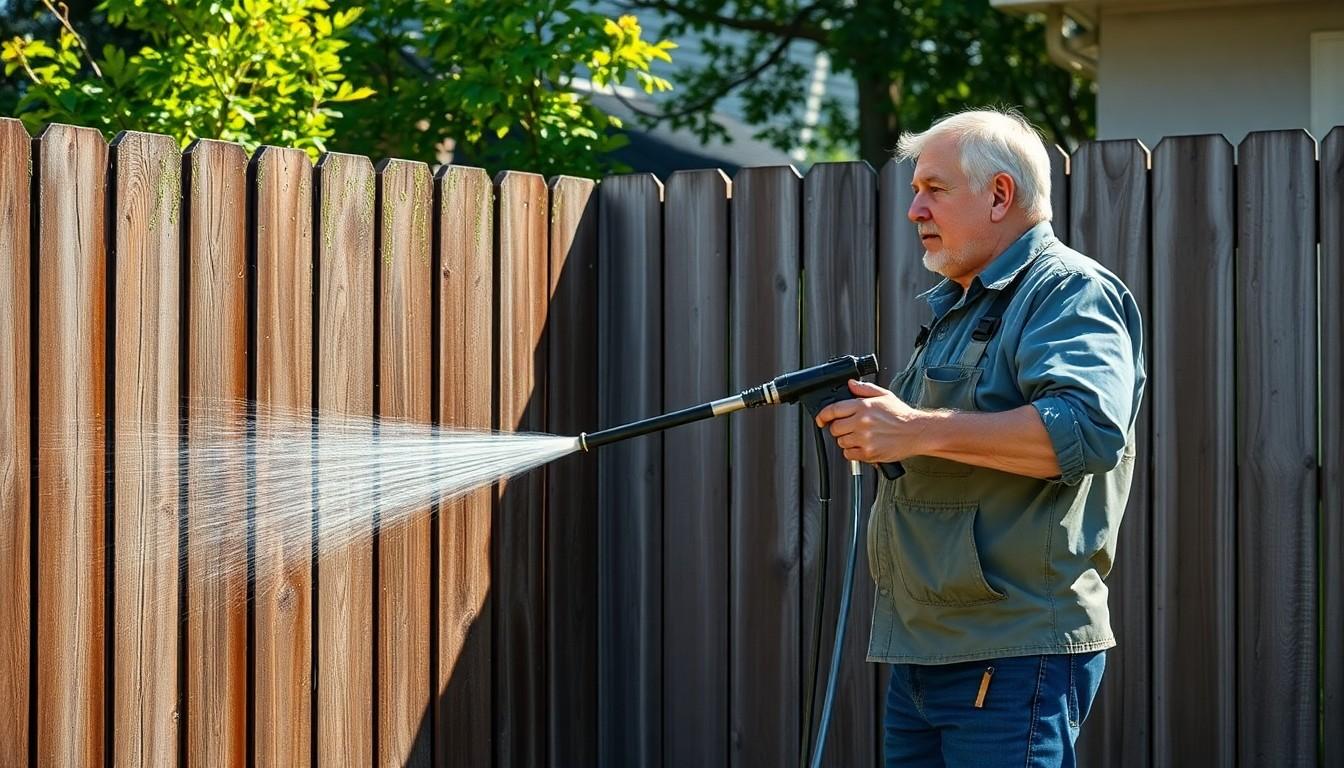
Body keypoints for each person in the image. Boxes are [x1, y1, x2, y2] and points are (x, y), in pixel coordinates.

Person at [815, 108, 1145, 767]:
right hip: (926, 650)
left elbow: (1084, 431)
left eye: (934, 189)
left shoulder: (1068, 290)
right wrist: (892, 430)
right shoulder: (962, 304)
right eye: (916, 191)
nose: (914, 209)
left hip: (1013, 651)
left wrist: (913, 428)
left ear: (999, 195)